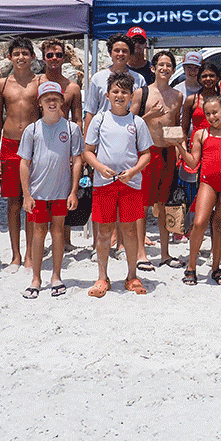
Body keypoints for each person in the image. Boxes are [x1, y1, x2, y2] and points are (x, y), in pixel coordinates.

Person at [82, 71, 152, 297]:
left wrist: (132, 171)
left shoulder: (137, 122)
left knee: (130, 230)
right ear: (107, 94)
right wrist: (99, 168)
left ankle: (132, 276)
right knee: (104, 231)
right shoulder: (99, 120)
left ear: (131, 95)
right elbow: (88, 152)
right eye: (115, 91)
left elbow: (146, 154)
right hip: (104, 184)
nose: (119, 95)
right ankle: (102, 277)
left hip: (130, 184)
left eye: (124, 92)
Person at [18, 82, 83, 298]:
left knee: (58, 233)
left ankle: (56, 276)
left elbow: (77, 160)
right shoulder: (32, 129)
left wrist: (73, 191)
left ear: (62, 101)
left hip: (61, 192)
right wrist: (27, 194)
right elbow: (24, 163)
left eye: (56, 98)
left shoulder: (72, 129)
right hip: (38, 192)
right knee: (38, 234)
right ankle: (36, 278)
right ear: (40, 103)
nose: (52, 102)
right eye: (47, 99)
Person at [174, 95, 221, 286]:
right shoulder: (201, 134)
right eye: (207, 113)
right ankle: (191, 266)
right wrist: (180, 147)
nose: (212, 116)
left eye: (215, 112)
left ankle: (215, 267)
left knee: (220, 226)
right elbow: (193, 162)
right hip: (208, 182)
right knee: (199, 223)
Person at [133, 50, 185, 269]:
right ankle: (141, 253)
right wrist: (150, 116)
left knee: (166, 204)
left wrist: (180, 147)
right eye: (161, 64)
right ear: (153, 68)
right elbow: (131, 124)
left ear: (173, 69)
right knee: (143, 204)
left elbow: (176, 125)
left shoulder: (177, 96)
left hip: (168, 153)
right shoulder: (141, 93)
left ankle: (165, 253)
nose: (165, 68)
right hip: (148, 152)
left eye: (169, 65)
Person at [0, 38, 40, 271]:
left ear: (32, 56)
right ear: (9, 56)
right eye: (16, 53)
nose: (21, 57)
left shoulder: (40, 82)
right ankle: (16, 255)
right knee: (13, 202)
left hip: (34, 145)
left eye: (25, 53)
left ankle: (31, 253)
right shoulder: (0, 84)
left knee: (31, 201)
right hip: (9, 145)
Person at [37, 38, 84, 249]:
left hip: (65, 141)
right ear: (43, 57)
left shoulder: (72, 87)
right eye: (50, 55)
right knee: (42, 191)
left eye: (58, 54)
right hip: (43, 141)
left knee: (64, 190)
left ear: (64, 57)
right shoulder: (36, 84)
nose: (54, 59)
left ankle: (64, 240)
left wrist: (77, 151)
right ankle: (40, 239)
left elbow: (78, 118)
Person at [83, 34, 147, 136]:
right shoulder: (97, 78)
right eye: (117, 50)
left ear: (130, 54)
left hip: (129, 134)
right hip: (102, 134)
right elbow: (90, 112)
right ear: (110, 53)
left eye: (125, 51)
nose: (120, 54)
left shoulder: (139, 79)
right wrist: (86, 142)